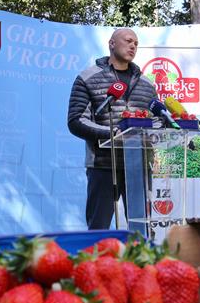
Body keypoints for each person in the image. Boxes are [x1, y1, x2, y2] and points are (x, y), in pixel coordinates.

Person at [67, 27, 157, 230]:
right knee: (98, 228)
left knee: (142, 229)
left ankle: (140, 261)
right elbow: (76, 120)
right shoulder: (88, 77)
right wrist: (111, 133)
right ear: (112, 44)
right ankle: (98, 261)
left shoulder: (147, 84)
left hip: (139, 166)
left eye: (136, 43)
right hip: (102, 164)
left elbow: (156, 120)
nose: (133, 45)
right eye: (128, 40)